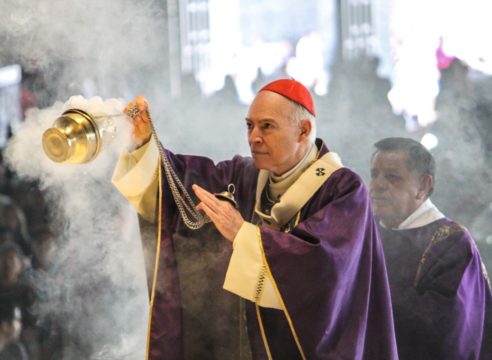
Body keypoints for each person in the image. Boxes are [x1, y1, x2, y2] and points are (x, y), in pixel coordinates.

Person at [112, 79, 398, 359]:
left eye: (267, 126)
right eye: (250, 125)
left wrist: (242, 234)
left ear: (303, 130)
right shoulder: (245, 176)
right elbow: (179, 186)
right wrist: (145, 144)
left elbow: (323, 269)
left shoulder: (343, 189)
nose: (253, 137)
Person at [369, 137, 492, 360]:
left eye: (392, 177)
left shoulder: (452, 243)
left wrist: (362, 289)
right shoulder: (364, 230)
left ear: (423, 186)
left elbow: (448, 332)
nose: (377, 185)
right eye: (374, 175)